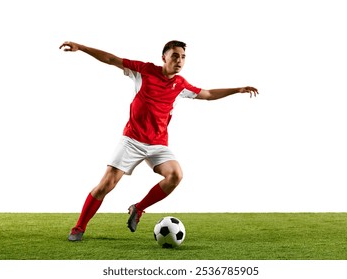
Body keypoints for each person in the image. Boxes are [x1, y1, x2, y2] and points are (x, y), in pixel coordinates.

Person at [59, 40, 258, 241]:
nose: (179, 61)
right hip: (132, 140)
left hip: (158, 144)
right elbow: (112, 59)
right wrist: (82, 48)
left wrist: (237, 89)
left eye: (182, 57)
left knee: (175, 176)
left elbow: (207, 94)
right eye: (175, 56)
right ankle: (79, 227)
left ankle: (138, 208)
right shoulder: (143, 70)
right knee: (106, 184)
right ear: (164, 58)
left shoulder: (180, 84)